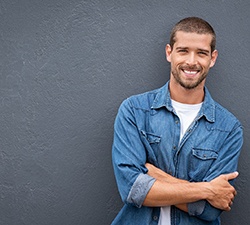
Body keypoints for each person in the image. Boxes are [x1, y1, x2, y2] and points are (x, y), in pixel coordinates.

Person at [111, 17, 243, 225]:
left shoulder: (229, 128)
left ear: (213, 58)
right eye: (183, 51)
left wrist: (153, 176)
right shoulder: (134, 111)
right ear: (169, 53)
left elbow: (209, 210)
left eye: (201, 53)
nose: (191, 61)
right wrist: (207, 189)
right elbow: (132, 189)